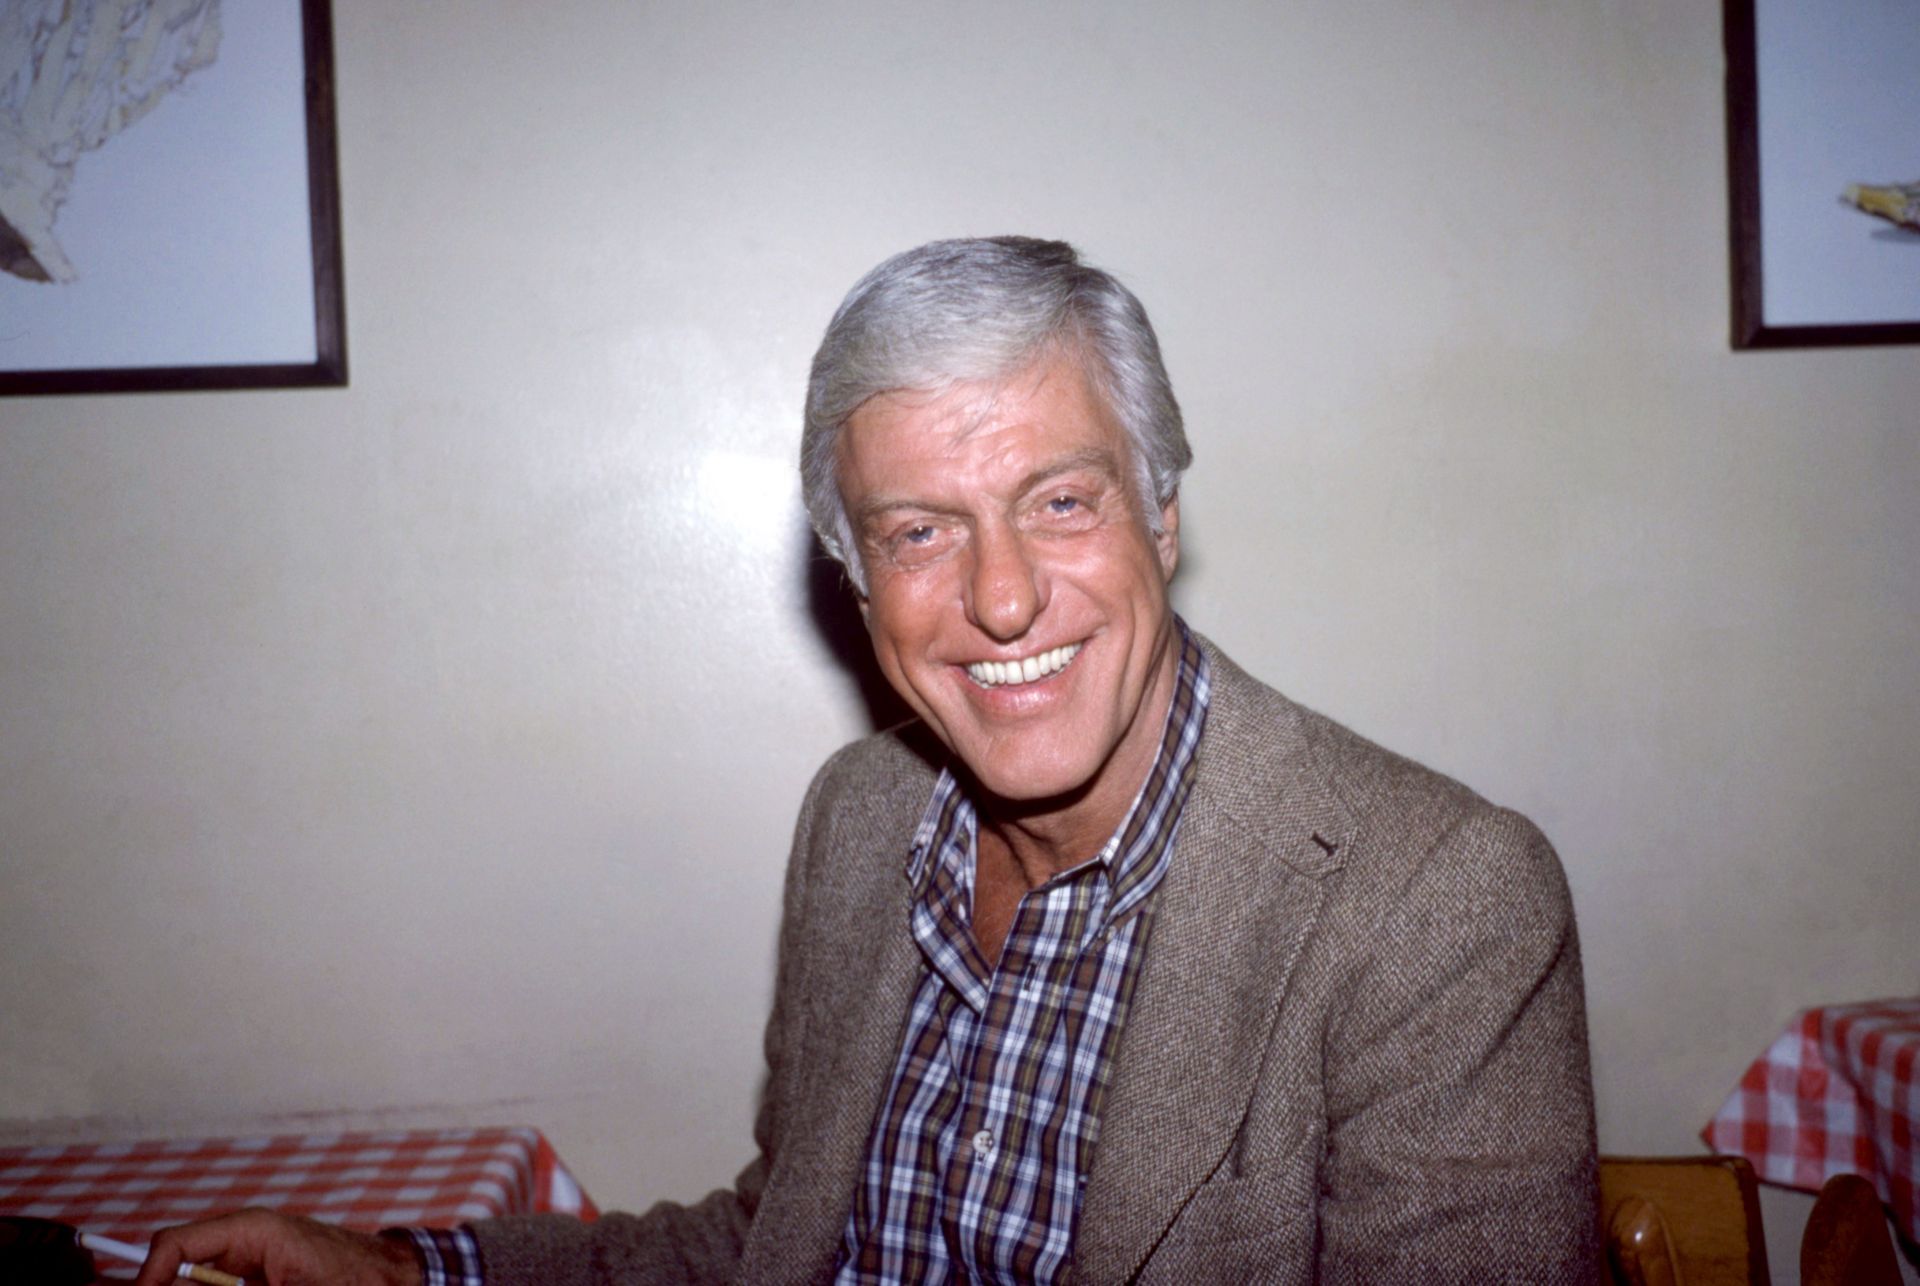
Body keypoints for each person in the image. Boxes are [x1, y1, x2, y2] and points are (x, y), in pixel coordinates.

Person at [137, 237, 1599, 1285]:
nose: (1005, 597)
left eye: (1062, 500)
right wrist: (407, 1267)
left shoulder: (1437, 902)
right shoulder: (861, 820)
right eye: (919, 530)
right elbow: (780, 1236)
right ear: (855, 579)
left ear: (1162, 517)